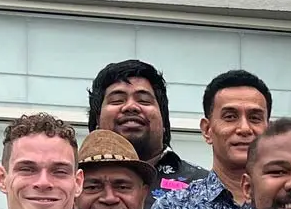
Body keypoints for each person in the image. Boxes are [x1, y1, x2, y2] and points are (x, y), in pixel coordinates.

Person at [143, 68, 271, 209]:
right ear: (207, 130)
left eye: (255, 118)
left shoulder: (284, 207)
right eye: (230, 117)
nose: (244, 128)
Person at [87, 57, 207, 185]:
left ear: (164, 121)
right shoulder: (70, 181)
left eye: (143, 100)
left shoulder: (204, 186)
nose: (131, 107)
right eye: (117, 100)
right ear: (97, 120)